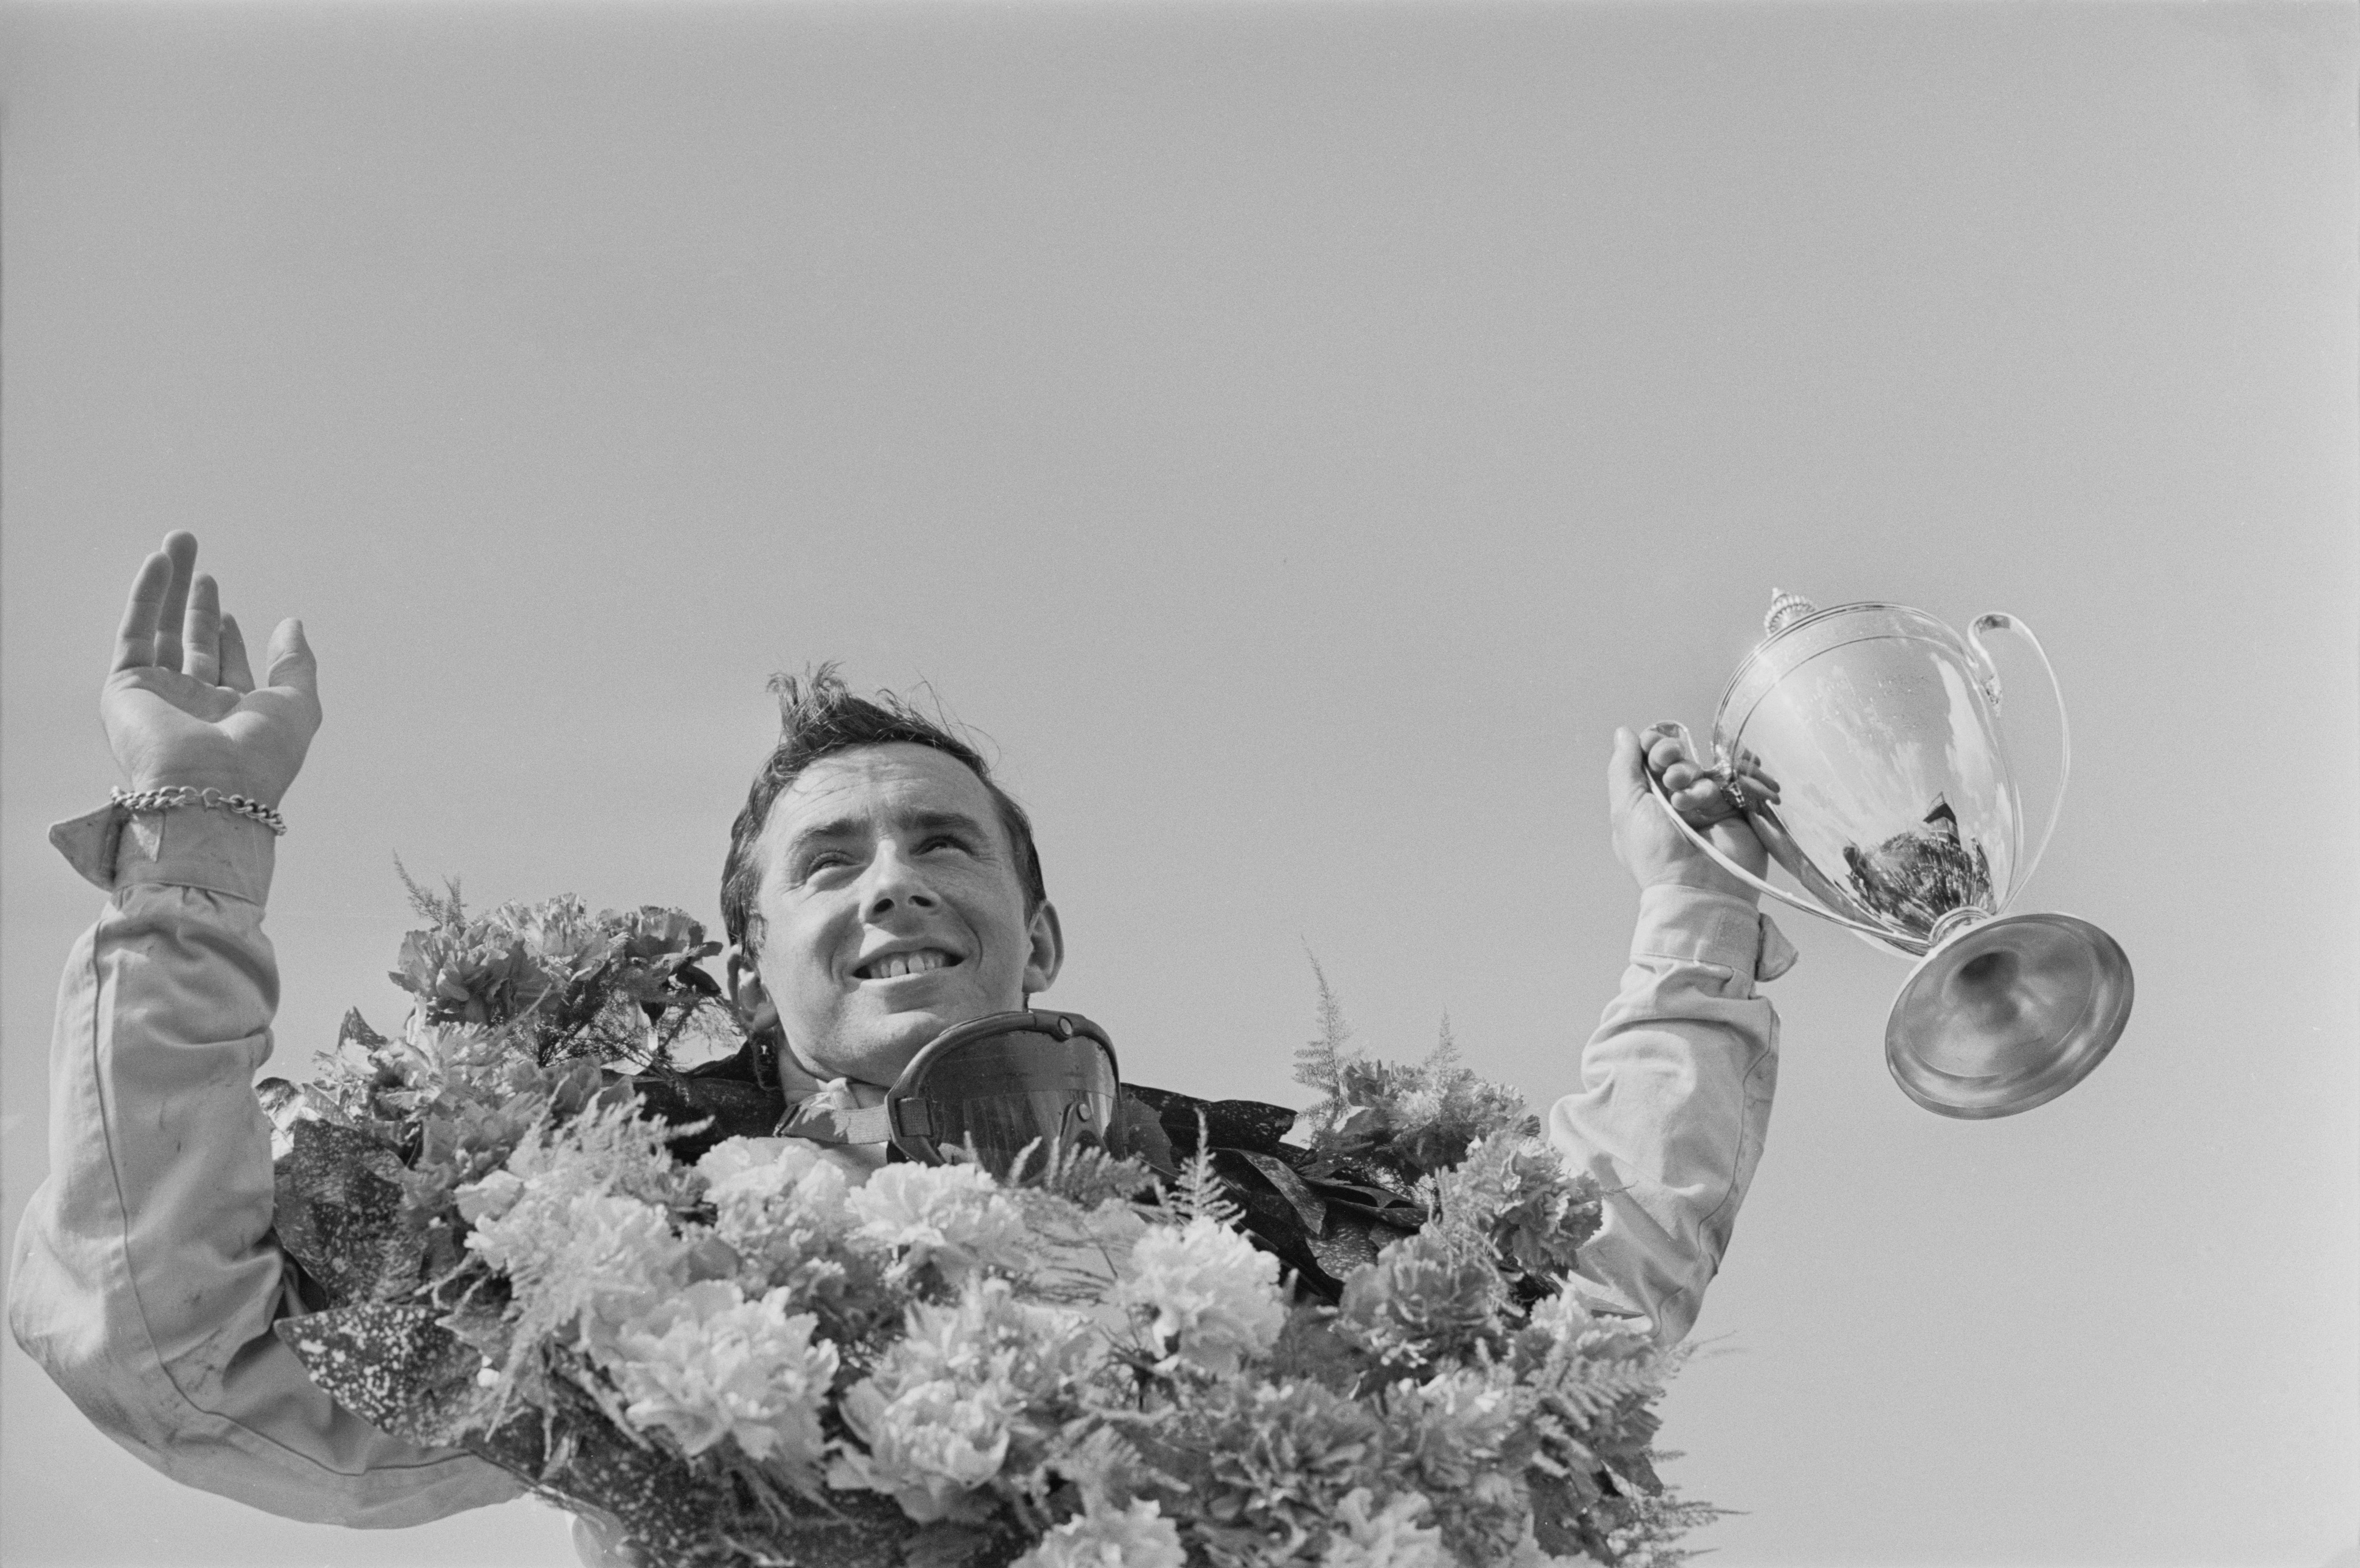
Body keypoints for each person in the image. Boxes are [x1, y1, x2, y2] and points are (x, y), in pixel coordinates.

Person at [9, 533, 1794, 1556]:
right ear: (743, 955)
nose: (892, 886)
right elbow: (182, 1352)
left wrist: (1700, 915)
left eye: (945, 844)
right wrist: (198, 850)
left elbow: (1588, 1306)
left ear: (1042, 930)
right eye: (829, 860)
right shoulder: (582, 1242)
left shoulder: (1255, 1201)